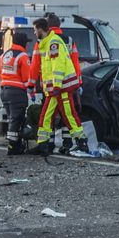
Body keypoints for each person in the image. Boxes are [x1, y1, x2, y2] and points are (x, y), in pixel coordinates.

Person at [28, 16, 86, 156]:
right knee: (47, 115)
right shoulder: (50, 42)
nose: (34, 33)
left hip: (60, 87)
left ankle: (81, 142)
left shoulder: (53, 43)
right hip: (55, 89)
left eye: (35, 30)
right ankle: (43, 144)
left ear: (41, 29)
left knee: (68, 114)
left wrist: (57, 85)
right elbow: (75, 63)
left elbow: (57, 66)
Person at [0, 30, 33, 155]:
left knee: (12, 118)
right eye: (27, 43)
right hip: (17, 92)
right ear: (23, 43)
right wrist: (32, 91)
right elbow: (27, 78)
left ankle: (16, 144)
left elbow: (0, 72)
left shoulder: (5, 55)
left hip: (4, 91)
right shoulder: (22, 56)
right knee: (17, 119)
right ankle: (12, 147)